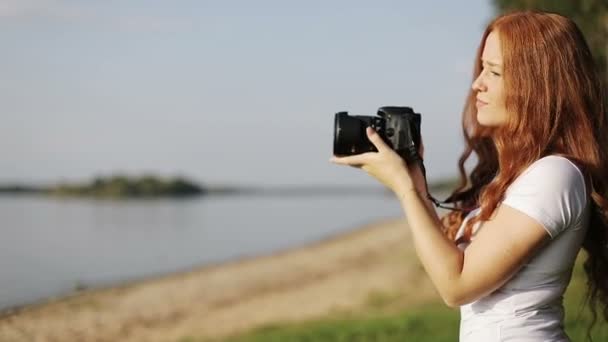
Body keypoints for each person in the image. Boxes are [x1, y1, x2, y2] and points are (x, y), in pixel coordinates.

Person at [331, 11, 608, 341]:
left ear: (537, 86)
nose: (477, 83)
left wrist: (404, 189)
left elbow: (456, 286)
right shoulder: (522, 176)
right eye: (481, 70)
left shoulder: (554, 175)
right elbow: (450, 265)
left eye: (494, 72)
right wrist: (416, 182)